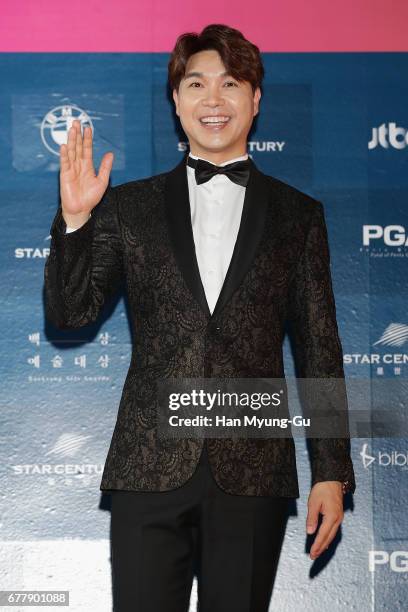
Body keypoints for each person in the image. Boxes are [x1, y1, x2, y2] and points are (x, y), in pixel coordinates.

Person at [44, 23, 356, 612]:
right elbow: (70, 313)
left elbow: (320, 345)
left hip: (253, 470)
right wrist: (78, 223)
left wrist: (330, 471)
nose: (213, 100)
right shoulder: (129, 206)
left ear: (256, 99)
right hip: (148, 466)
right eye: (197, 84)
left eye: (231, 84)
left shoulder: (298, 215)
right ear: (177, 101)